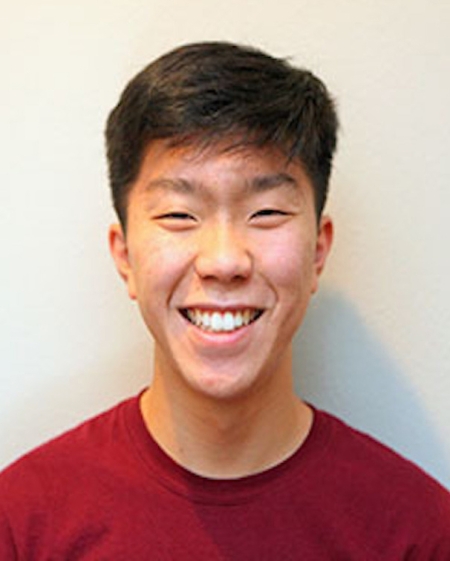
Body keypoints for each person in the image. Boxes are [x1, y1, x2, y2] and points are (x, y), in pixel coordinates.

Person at [1, 41, 449, 560]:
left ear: (318, 251)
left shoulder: (417, 532)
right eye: (178, 215)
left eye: (265, 213)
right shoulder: (24, 523)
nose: (223, 260)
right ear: (125, 257)